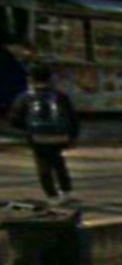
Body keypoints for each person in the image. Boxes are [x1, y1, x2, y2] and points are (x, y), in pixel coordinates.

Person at [8, 63, 80, 206]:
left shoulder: (26, 97)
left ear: (31, 79)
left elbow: (14, 119)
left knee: (43, 165)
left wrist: (28, 129)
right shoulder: (60, 96)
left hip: (38, 137)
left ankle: (52, 195)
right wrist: (72, 136)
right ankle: (66, 192)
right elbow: (72, 118)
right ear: (50, 78)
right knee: (58, 161)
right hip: (60, 136)